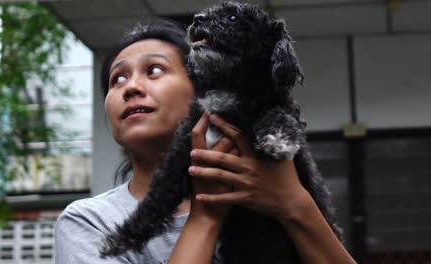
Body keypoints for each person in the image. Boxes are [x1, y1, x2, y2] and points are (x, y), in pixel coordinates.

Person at [54, 19, 356, 264]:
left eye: (154, 70)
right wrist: (206, 215)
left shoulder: (273, 192)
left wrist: (294, 204)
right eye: (116, 79)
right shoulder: (91, 223)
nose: (130, 87)